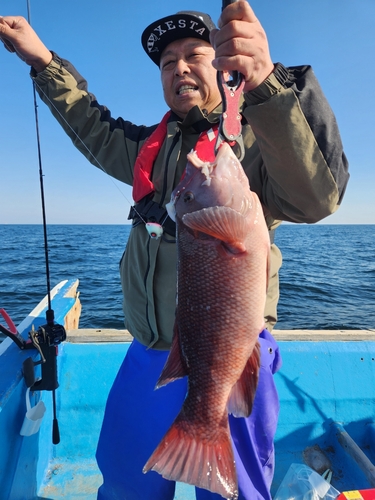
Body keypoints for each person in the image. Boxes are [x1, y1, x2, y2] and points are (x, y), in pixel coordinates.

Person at [0, 3, 349, 499]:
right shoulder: (150, 148)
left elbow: (317, 196)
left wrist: (268, 84)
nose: (179, 67)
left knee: (236, 492)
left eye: (194, 55)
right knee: (127, 480)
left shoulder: (259, 141)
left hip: (235, 354)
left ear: (226, 65)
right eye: (167, 63)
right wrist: (42, 62)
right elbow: (92, 125)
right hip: (151, 355)